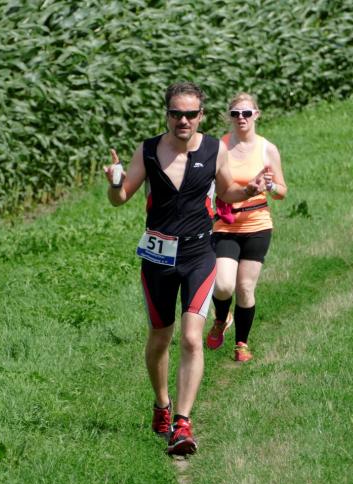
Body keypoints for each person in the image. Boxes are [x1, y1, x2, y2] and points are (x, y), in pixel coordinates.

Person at [105, 82, 264, 456]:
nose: (183, 120)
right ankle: (162, 404)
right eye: (176, 113)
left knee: (192, 338)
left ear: (201, 116)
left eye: (191, 114)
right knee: (160, 338)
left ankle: (183, 423)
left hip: (198, 255)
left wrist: (250, 190)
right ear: (167, 115)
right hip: (158, 259)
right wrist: (114, 183)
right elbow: (120, 198)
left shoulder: (214, 149)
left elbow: (226, 191)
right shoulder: (148, 150)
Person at [205, 92, 287, 362]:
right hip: (226, 224)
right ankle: (221, 318)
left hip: (257, 224)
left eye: (247, 113)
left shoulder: (267, 149)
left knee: (245, 288)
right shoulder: (219, 147)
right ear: (229, 117)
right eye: (236, 113)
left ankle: (241, 344)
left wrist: (270, 185)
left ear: (256, 115)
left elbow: (282, 191)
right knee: (223, 285)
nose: (241, 118)